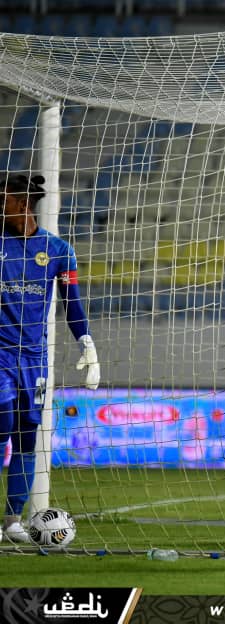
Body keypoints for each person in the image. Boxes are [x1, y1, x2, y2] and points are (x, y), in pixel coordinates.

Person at [0, 174, 101, 543]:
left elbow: (71, 304)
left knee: (27, 437)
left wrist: (86, 343)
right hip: (0, 355)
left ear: (24, 204)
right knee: (2, 426)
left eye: (5, 198)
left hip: (35, 360)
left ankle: (12, 521)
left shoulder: (58, 250)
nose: (0, 204)